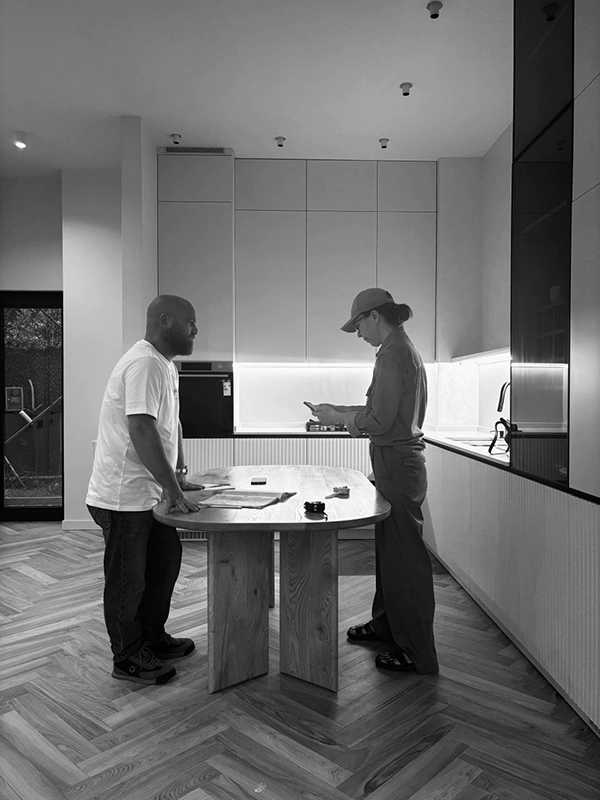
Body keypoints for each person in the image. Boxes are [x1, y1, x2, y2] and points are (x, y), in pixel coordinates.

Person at [308, 287, 439, 675]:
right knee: (390, 554)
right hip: (394, 463)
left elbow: (379, 422)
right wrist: (336, 412)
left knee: (406, 561)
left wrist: (341, 419)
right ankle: (386, 626)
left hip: (397, 465)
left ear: (375, 317)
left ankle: (417, 652)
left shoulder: (394, 355)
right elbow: (378, 410)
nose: (359, 334)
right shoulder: (396, 350)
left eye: (359, 326)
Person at [86, 294, 203, 686]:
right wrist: (173, 490)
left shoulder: (164, 364)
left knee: (164, 565)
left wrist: (180, 474)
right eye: (190, 323)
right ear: (165, 321)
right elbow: (140, 427)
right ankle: (127, 655)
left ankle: (152, 637)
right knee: (128, 580)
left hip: (148, 494)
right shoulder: (144, 362)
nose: (196, 330)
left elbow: (173, 423)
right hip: (123, 496)